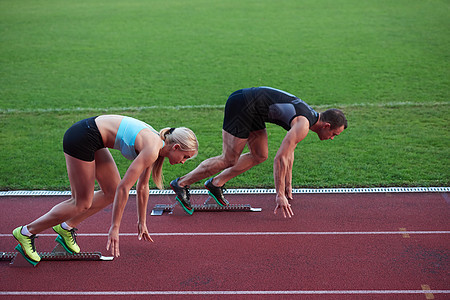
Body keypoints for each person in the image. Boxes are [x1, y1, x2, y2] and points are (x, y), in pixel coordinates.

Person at [13, 115, 198, 262]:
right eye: (185, 157)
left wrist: (142, 222)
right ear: (175, 147)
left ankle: (66, 227)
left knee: (110, 191)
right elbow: (125, 188)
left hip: (92, 136)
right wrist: (114, 228)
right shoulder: (152, 149)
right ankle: (26, 232)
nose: (183, 162)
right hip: (83, 137)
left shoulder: (156, 146)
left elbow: (142, 188)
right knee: (81, 203)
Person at [170, 86, 347, 218]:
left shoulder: (307, 120)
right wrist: (278, 195)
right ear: (327, 126)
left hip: (254, 111)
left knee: (260, 155)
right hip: (242, 105)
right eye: (334, 134)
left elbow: (289, 153)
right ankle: (182, 183)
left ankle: (216, 183)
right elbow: (280, 159)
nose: (332, 138)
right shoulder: (303, 124)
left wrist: (288, 185)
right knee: (229, 159)